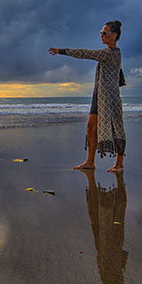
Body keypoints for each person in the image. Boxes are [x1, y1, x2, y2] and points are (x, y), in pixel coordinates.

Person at [50, 20, 126, 172]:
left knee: (116, 128)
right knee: (91, 128)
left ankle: (120, 164)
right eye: (100, 33)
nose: (101, 36)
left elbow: (85, 53)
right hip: (98, 95)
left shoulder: (111, 53)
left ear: (114, 35)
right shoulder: (109, 53)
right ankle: (90, 162)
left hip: (109, 98)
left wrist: (62, 51)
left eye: (104, 33)